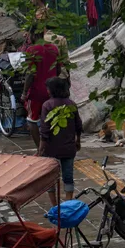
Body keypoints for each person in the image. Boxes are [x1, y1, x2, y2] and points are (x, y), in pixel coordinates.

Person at [38, 77, 82, 206]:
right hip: (68, 148)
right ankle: (68, 203)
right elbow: (78, 125)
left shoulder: (47, 105)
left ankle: (54, 206)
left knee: (50, 178)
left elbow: (44, 131)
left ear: (51, 90)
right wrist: (78, 141)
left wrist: (41, 149)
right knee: (68, 177)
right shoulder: (71, 104)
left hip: (51, 149)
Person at [21, 31, 61, 149]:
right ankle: (53, 146)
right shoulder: (54, 48)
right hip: (53, 90)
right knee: (53, 118)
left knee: (32, 120)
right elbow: (58, 69)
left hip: (37, 91)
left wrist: (24, 92)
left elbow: (30, 74)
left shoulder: (31, 50)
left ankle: (40, 149)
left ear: (33, 35)